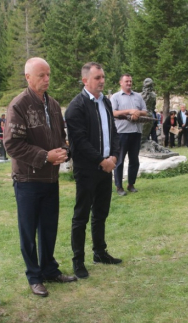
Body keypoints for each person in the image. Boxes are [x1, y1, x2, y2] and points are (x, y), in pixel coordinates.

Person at [4, 57, 77, 298]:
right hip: (27, 179)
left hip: (50, 179)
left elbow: (60, 135)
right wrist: (45, 156)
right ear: (28, 77)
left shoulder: (54, 105)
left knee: (48, 227)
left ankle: (49, 269)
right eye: (41, 75)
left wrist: (63, 151)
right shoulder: (19, 106)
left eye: (48, 74)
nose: (46, 79)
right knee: (28, 230)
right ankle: (34, 276)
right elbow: (12, 145)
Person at [65, 62, 122, 279]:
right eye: (97, 77)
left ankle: (99, 252)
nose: (102, 81)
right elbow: (78, 142)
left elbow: (114, 133)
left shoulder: (105, 102)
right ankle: (78, 260)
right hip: (88, 170)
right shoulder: (76, 107)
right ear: (85, 80)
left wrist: (114, 156)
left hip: (106, 167)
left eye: (103, 77)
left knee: (101, 213)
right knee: (81, 216)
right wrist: (101, 160)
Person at [111, 74, 148, 196]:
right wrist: (129, 111)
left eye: (130, 81)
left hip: (136, 132)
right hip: (121, 133)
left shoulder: (138, 96)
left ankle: (131, 184)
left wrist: (138, 113)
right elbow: (113, 112)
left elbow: (145, 111)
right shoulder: (115, 97)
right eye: (126, 81)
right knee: (120, 160)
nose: (129, 83)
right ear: (120, 83)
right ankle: (119, 186)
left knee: (134, 160)